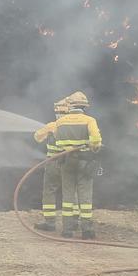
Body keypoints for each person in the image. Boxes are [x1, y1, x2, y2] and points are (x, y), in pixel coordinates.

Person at [54, 91, 102, 239]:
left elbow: (57, 142)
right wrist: (95, 147)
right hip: (84, 161)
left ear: (70, 106)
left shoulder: (60, 122)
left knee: (68, 194)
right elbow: (95, 141)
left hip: (66, 162)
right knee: (85, 194)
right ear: (84, 107)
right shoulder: (89, 120)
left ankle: (67, 230)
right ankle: (86, 230)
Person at [31, 98, 70, 232]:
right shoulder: (76, 126)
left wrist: (48, 131)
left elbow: (37, 137)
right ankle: (73, 223)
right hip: (70, 164)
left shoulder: (52, 125)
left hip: (53, 164)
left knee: (49, 190)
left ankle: (50, 222)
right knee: (71, 192)